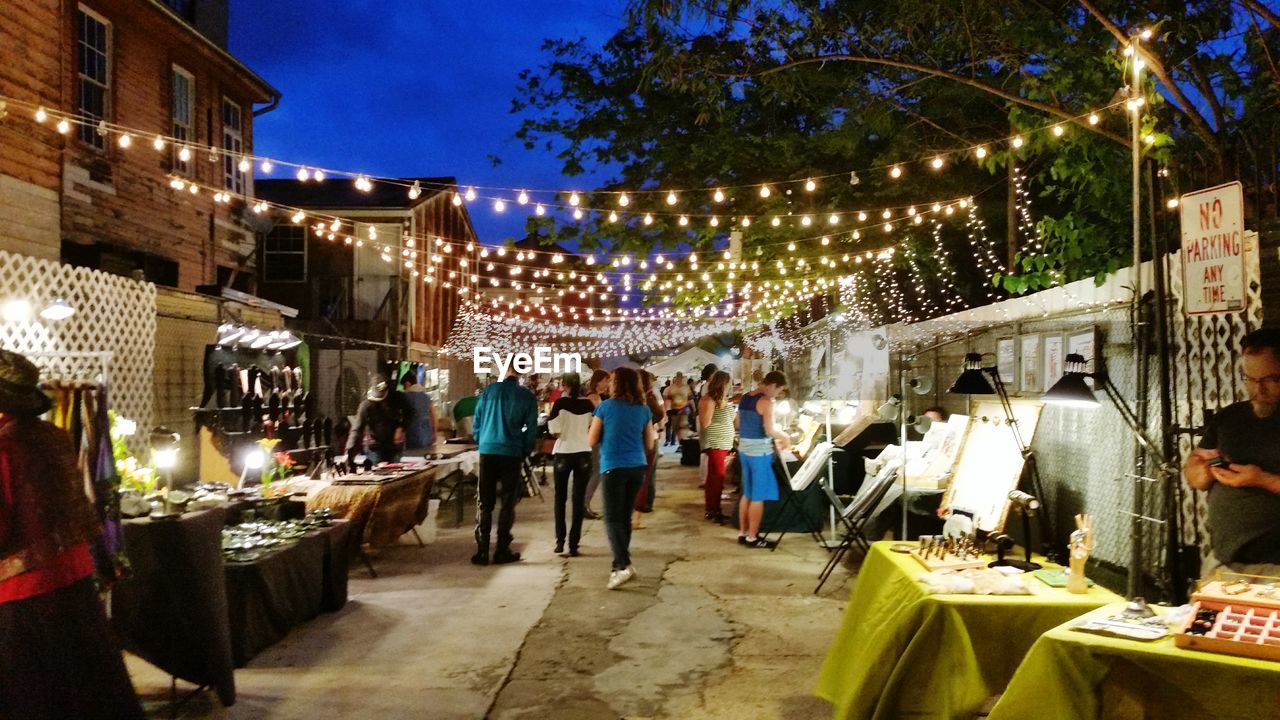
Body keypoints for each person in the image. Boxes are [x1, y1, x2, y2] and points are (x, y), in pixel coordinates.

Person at [0, 350, 144, 720]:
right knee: (91, 694)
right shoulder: (52, 436)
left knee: (36, 699)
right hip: (75, 584)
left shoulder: (4, 446)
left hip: (25, 599)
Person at [1186, 329, 1280, 578]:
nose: (1258, 389)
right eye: (1250, 379)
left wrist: (1262, 479)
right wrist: (1203, 470)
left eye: (1270, 380)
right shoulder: (1230, 417)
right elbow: (1194, 469)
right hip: (1222, 561)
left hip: (1274, 568)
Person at [588, 368, 655, 590]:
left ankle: (623, 564)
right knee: (624, 518)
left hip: (613, 466)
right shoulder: (644, 410)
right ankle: (618, 566)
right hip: (637, 467)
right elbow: (650, 443)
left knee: (612, 519)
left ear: (617, 384)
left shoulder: (604, 408)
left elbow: (591, 440)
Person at [471, 370, 538, 566]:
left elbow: (477, 420)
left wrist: (481, 440)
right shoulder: (526, 397)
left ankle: (482, 551)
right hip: (511, 452)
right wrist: (525, 449)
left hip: (488, 450)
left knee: (485, 501)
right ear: (520, 376)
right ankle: (501, 549)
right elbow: (531, 428)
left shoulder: (489, 391)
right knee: (508, 502)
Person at [737, 371, 792, 548]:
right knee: (758, 496)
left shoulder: (745, 397)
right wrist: (785, 437)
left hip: (744, 449)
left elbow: (737, 423)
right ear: (774, 385)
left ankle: (743, 533)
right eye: (779, 390)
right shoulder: (766, 401)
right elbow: (770, 430)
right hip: (759, 452)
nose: (777, 394)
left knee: (747, 493)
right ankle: (753, 537)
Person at [547, 372, 593, 557]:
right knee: (578, 498)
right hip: (583, 452)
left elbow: (554, 431)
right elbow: (592, 428)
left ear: (565, 385)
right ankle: (574, 545)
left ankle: (560, 541)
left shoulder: (559, 404)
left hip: (564, 452)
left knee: (560, 498)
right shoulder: (588, 405)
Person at [632, 371, 667, 529]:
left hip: (641, 439)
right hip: (648, 438)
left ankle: (639, 509)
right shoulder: (649, 398)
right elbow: (660, 416)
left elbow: (660, 415)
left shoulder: (636, 398)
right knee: (645, 476)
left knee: (642, 476)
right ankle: (639, 511)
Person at [699, 371, 735, 523]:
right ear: (723, 384)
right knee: (717, 477)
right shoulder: (709, 400)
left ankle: (714, 508)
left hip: (722, 443)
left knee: (716, 477)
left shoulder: (722, 400)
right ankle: (713, 509)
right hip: (715, 443)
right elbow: (705, 422)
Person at [347, 376, 409, 464]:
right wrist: (349, 451)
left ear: (387, 391)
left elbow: (410, 413)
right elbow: (356, 429)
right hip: (374, 446)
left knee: (395, 471)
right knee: (376, 472)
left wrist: (402, 428)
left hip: (394, 445)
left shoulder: (398, 399)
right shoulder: (366, 405)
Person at [582, 368, 612, 519]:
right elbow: (598, 420)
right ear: (599, 381)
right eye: (606, 380)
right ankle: (584, 503)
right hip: (594, 439)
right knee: (596, 471)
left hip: (595, 438)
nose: (608, 384)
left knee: (595, 471)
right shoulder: (593, 398)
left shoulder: (597, 396)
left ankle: (585, 503)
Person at [400, 371, 437, 450]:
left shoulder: (405, 397)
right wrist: (434, 433)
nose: (403, 389)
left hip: (412, 434)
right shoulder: (427, 397)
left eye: (403, 386)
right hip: (427, 434)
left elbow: (402, 418)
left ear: (407, 384)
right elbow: (434, 416)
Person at [663, 372, 690, 445]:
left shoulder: (686, 387)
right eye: (677, 377)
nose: (679, 379)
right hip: (674, 410)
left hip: (683, 410)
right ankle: (677, 442)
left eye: (680, 378)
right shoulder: (671, 388)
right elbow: (668, 398)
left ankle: (681, 443)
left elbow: (689, 398)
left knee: (682, 427)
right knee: (675, 428)